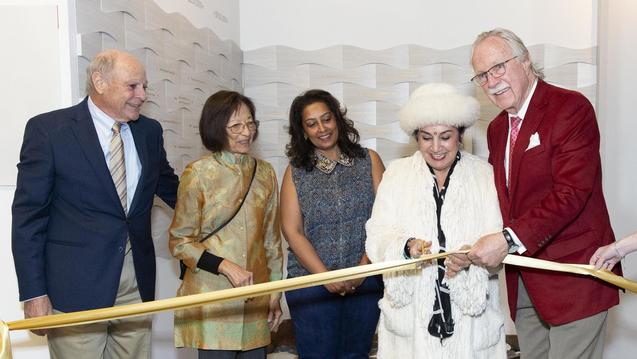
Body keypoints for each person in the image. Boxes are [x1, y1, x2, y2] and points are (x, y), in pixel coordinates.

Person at [457, 28, 620, 359]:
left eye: (499, 67)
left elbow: (571, 193)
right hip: (525, 282)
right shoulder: (498, 129)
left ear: (526, 61)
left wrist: (506, 239)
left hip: (575, 276)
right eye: (483, 75)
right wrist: (472, 243)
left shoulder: (570, 108)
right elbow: (506, 202)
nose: (492, 81)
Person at [11, 49, 179, 358]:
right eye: (133, 86)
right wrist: (34, 293)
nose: (142, 95)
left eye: (144, 86)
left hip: (136, 285)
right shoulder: (49, 131)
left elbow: (173, 190)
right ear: (99, 82)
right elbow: (28, 219)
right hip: (75, 288)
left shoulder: (149, 132)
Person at [365, 83, 506, 358]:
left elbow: (498, 237)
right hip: (411, 323)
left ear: (460, 134)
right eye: (426, 137)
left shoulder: (484, 175)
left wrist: (472, 256)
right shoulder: (397, 174)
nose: (436, 147)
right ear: (416, 137)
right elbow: (377, 233)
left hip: (471, 322)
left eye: (445, 136)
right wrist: (406, 247)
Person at [169, 90, 283, 359]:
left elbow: (272, 240)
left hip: (256, 299)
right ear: (216, 129)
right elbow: (179, 242)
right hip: (213, 302)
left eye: (250, 123)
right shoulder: (197, 173)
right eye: (236, 126)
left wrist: (275, 291)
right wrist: (224, 265)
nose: (246, 132)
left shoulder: (265, 172)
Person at [280, 89, 385, 358]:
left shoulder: (369, 160)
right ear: (303, 131)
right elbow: (292, 231)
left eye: (326, 119)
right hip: (311, 284)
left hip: (365, 279)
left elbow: (386, 220)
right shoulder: (296, 171)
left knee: (356, 354)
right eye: (311, 123)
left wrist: (363, 270)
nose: (322, 128)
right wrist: (326, 277)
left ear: (338, 120)